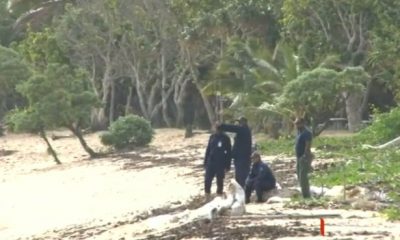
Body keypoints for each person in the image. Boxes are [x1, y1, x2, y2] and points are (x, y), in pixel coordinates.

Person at [218, 116, 252, 188]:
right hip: (241, 157)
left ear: (244, 122)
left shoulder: (244, 129)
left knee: (241, 175)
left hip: (242, 157)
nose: (238, 124)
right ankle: (243, 190)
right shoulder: (244, 130)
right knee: (240, 175)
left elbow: (232, 128)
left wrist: (221, 125)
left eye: (240, 122)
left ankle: (243, 191)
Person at [204, 125, 232, 197]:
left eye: (219, 129)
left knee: (219, 180)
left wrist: (228, 165)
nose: (218, 131)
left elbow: (229, 152)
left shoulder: (226, 138)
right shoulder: (212, 137)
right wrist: (205, 161)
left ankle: (219, 195)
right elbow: (208, 149)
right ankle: (207, 195)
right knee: (207, 179)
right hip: (211, 161)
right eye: (217, 129)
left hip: (220, 162)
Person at [294, 118, 313, 198]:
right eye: (296, 124)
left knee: (303, 177)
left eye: (298, 123)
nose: (296, 125)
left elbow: (307, 145)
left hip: (304, 157)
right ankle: (303, 193)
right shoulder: (299, 132)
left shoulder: (306, 133)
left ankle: (306, 195)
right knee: (299, 175)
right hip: (298, 157)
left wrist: (305, 155)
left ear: (303, 123)